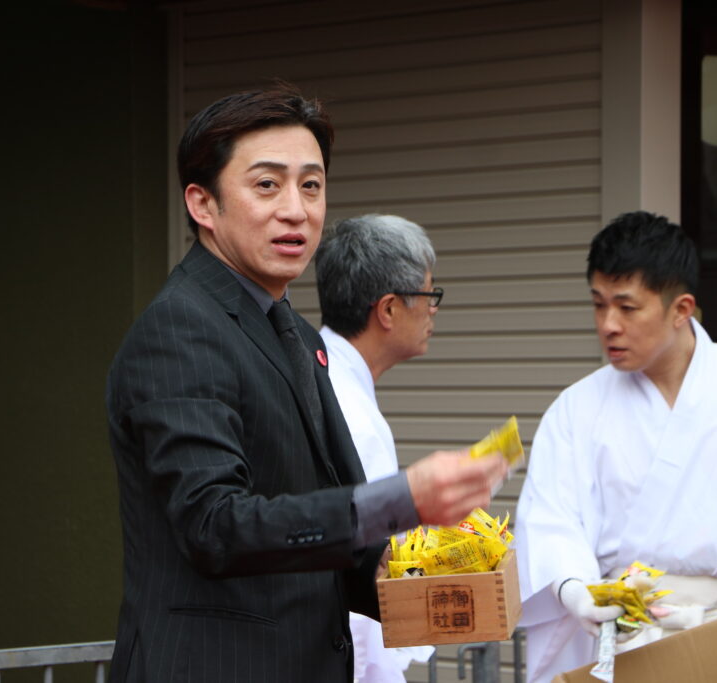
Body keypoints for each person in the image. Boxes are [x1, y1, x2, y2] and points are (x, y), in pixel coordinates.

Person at [105, 84, 508, 683]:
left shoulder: (296, 331)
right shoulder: (181, 326)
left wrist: (443, 582)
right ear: (202, 204)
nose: (296, 209)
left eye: (311, 185)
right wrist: (400, 498)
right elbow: (215, 525)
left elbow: (332, 532)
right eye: (267, 184)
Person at [514, 210, 717, 682]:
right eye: (598, 304)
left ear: (681, 309)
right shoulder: (575, 410)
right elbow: (552, 519)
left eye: (627, 307)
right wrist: (576, 589)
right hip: (625, 638)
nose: (608, 325)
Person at [315, 214, 442, 682]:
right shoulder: (346, 409)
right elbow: (355, 562)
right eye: (429, 297)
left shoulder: (321, 371)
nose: (433, 311)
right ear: (387, 310)